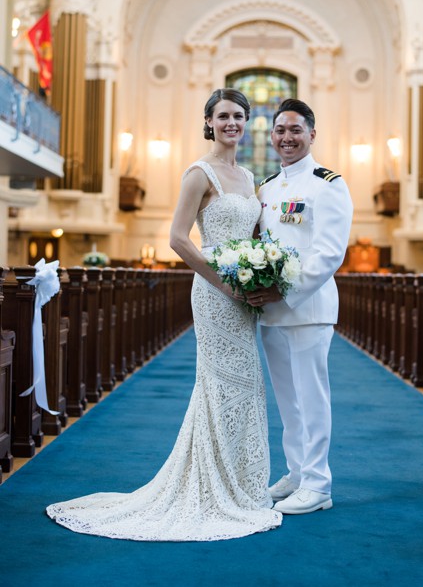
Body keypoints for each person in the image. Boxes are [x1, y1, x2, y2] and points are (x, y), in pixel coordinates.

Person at [47, 88, 281, 540]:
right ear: (209, 122)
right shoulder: (199, 173)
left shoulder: (249, 176)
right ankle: (210, 486)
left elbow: (253, 238)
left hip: (243, 291)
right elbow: (178, 238)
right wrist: (224, 282)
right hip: (215, 293)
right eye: (223, 116)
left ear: (247, 123)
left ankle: (243, 486)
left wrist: (258, 277)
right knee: (217, 382)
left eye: (239, 116)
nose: (232, 123)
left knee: (247, 383)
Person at [246, 99, 353, 516]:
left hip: (307, 308)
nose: (287, 137)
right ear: (271, 136)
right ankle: (297, 472)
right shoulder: (269, 188)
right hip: (272, 312)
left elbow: (329, 252)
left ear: (311, 134)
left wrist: (284, 292)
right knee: (288, 400)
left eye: (295, 130)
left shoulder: (327, 184)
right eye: (280, 131)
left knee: (311, 398)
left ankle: (319, 484)